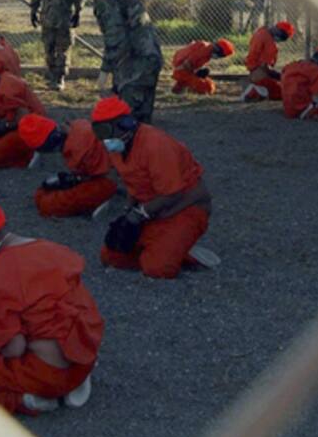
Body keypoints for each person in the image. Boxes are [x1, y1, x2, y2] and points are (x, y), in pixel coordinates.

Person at [0, 195, 105, 414]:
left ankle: (28, 401)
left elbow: (14, 349)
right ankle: (68, 385)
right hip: (83, 362)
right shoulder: (51, 249)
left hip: (47, 374)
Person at [90, 97, 214, 279]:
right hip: (155, 209)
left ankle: (181, 251)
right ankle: (169, 246)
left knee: (157, 268)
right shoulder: (119, 148)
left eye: (105, 130)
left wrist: (139, 214)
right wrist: (130, 210)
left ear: (126, 124)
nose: (103, 138)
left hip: (184, 207)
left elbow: (174, 193)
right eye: (98, 131)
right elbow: (133, 181)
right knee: (111, 256)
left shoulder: (155, 144)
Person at [69, 0, 163, 123]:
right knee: (140, 124)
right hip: (144, 58)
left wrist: (105, 71)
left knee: (128, 122)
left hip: (137, 63)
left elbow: (116, 37)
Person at [18, 113, 117, 217]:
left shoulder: (78, 150)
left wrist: (75, 181)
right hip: (102, 174)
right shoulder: (77, 126)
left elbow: (100, 174)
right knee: (43, 193)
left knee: (47, 205)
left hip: (109, 179)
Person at [30, 0, 84, 91]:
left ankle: (59, 78)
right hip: (47, 18)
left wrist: (78, 12)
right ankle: (52, 76)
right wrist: (33, 10)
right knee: (48, 48)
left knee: (62, 49)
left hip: (64, 19)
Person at [241, 21, 295, 102]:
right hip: (260, 72)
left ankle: (257, 89)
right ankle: (254, 91)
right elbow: (264, 65)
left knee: (279, 90)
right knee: (282, 92)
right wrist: (278, 76)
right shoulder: (267, 40)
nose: (281, 39)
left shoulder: (263, 33)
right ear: (278, 31)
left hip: (257, 70)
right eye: (283, 36)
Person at [171, 38, 235, 95]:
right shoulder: (204, 50)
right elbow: (186, 64)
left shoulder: (207, 49)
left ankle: (179, 89)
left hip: (182, 69)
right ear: (218, 50)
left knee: (205, 78)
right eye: (222, 55)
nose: (220, 57)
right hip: (181, 70)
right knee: (208, 87)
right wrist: (195, 74)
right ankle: (186, 88)